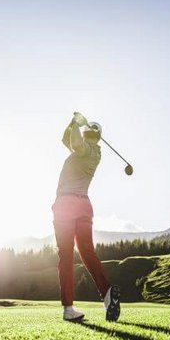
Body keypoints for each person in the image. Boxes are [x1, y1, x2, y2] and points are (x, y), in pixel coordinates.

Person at [52, 112, 121, 322]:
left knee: (65, 255)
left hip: (65, 205)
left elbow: (74, 141)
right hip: (83, 206)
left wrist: (75, 124)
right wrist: (72, 123)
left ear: (88, 133)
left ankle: (68, 308)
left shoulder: (87, 150)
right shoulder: (91, 151)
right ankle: (107, 292)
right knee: (86, 252)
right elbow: (67, 139)